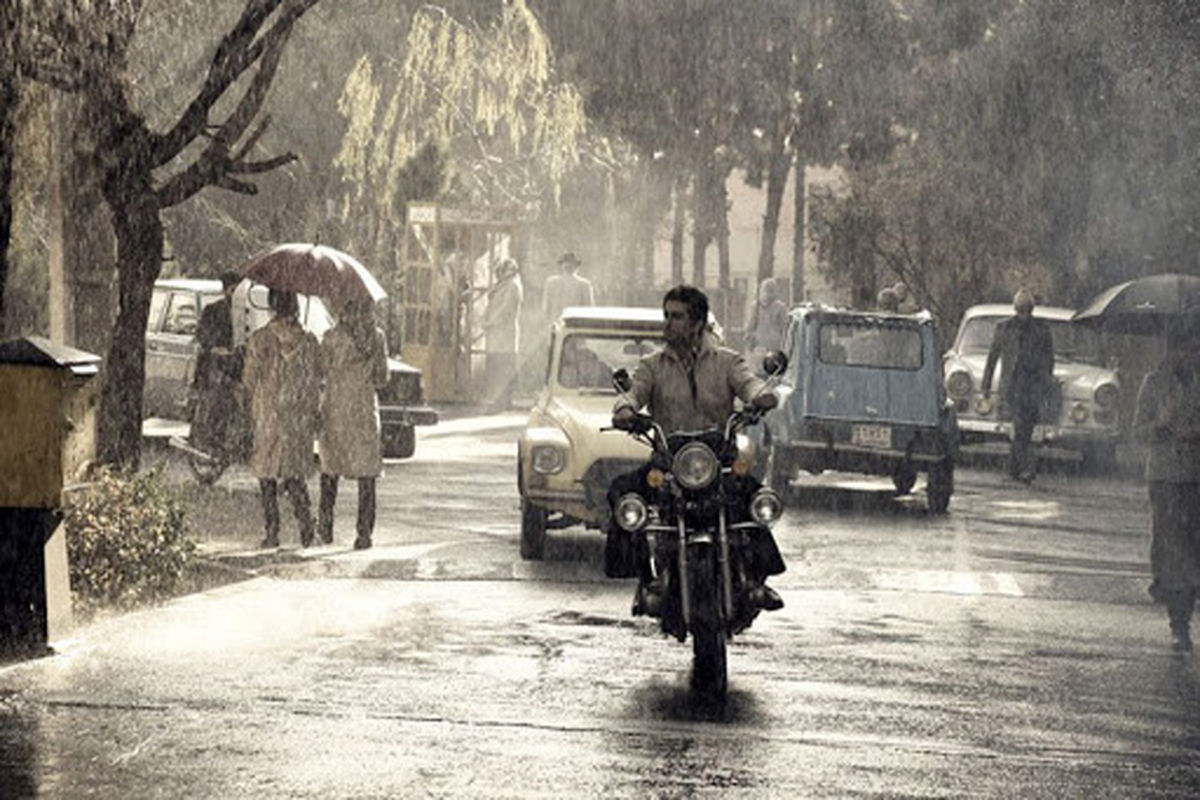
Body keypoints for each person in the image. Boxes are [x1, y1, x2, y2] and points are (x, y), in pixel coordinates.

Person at [610, 284, 786, 615]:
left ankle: (757, 580)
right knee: (622, 493)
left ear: (698, 321)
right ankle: (644, 578)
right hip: (667, 461)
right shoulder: (652, 365)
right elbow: (634, 393)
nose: (668, 323)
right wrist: (625, 409)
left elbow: (749, 383)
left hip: (718, 460)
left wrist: (762, 396)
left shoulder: (727, 361)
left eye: (676, 316)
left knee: (756, 499)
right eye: (667, 316)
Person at [1132, 321, 1200, 652]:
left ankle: (1184, 596)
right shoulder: (1153, 383)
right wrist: (1161, 424)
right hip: (1165, 476)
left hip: (1195, 475)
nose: (1188, 355)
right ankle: (1179, 620)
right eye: (1183, 348)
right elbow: (1137, 431)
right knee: (1174, 548)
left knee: (1192, 546)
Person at [243, 288, 321, 548]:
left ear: (272, 307)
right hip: (297, 414)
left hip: (269, 413)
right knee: (294, 473)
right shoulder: (309, 342)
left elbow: (249, 379)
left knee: (267, 474)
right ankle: (307, 527)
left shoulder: (260, 339)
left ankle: (272, 531)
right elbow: (316, 378)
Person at [318, 298, 389, 550]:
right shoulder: (377, 338)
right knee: (366, 473)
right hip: (363, 410)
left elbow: (320, 370)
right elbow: (382, 378)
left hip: (336, 408)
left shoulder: (331, 338)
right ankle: (364, 533)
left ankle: (325, 529)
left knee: (330, 469)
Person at [981, 289, 1055, 483]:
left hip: (1032, 385)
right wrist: (986, 388)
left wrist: (1046, 385)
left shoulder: (1041, 330)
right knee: (1020, 425)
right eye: (1021, 310)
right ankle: (1025, 468)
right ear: (1016, 309)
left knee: (1026, 428)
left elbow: (1048, 361)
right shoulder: (1004, 328)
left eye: (1027, 310)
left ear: (1031, 309)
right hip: (1013, 386)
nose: (1024, 314)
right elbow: (992, 359)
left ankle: (1014, 468)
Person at [190, 271, 244, 459]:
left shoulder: (244, 312)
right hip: (215, 366)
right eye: (233, 289)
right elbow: (202, 336)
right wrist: (215, 348)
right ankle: (212, 438)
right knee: (218, 400)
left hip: (236, 366)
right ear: (227, 290)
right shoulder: (212, 310)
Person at [482, 258, 523, 411]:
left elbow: (506, 308)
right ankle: (499, 400)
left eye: (503, 270)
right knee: (498, 365)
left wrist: (491, 322)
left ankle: (503, 401)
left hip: (504, 332)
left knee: (504, 366)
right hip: (497, 333)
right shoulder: (502, 285)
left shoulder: (513, 286)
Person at [542, 250, 595, 323]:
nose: (568, 266)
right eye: (566, 262)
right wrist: (548, 322)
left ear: (576, 266)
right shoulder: (551, 283)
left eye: (571, 263)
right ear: (561, 265)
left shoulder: (585, 285)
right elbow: (546, 307)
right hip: (557, 323)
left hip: (577, 324)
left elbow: (589, 309)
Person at [745, 277, 789, 356]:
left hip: (761, 345)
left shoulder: (755, 306)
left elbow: (750, 326)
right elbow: (785, 328)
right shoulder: (780, 307)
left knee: (759, 366)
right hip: (774, 345)